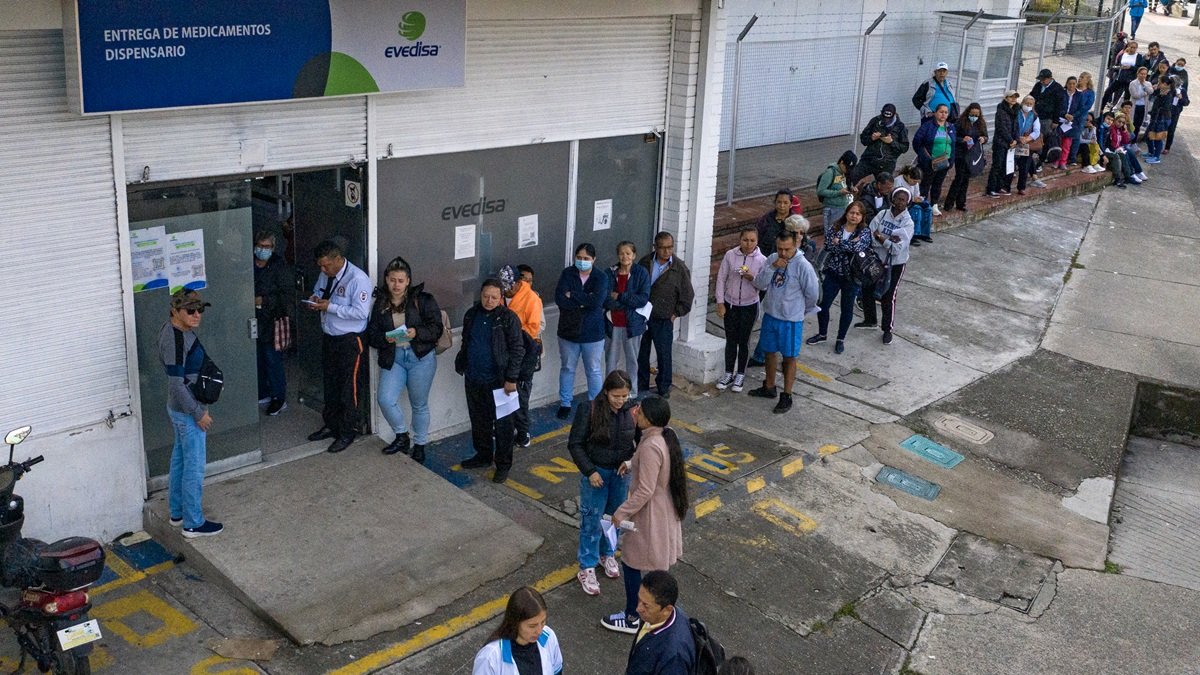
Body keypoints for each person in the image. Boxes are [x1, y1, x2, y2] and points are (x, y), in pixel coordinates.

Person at [601, 397, 689, 636]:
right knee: (655, 568)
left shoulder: (650, 445)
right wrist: (632, 464)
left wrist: (621, 512)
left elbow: (645, 490)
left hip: (650, 516)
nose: (635, 414)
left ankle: (633, 616)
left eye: (639, 412)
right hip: (663, 510)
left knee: (631, 563)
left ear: (648, 418)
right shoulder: (663, 436)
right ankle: (657, 614)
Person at [366, 256, 442, 464]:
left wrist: (416, 332)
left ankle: (420, 444)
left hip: (420, 357)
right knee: (385, 398)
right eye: (392, 280)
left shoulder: (423, 299)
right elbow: (371, 334)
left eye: (400, 280)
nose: (396, 285)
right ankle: (402, 436)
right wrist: (385, 338)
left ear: (408, 280)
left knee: (419, 404)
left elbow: (436, 328)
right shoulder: (381, 302)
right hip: (395, 357)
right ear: (386, 279)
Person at [159, 289, 222, 538]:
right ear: (175, 311)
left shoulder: (175, 331)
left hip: (178, 409)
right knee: (194, 468)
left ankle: (177, 513)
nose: (197, 315)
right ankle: (193, 523)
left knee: (180, 460)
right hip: (187, 411)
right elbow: (176, 384)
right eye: (190, 311)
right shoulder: (174, 339)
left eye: (200, 310)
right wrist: (198, 414)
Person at [568, 370, 637, 596]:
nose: (620, 401)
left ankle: (608, 554)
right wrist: (590, 472)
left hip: (620, 475)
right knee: (591, 520)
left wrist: (630, 461)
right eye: (616, 396)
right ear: (606, 391)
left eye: (625, 396)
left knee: (614, 518)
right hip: (596, 475)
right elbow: (575, 444)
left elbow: (641, 441)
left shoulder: (633, 411)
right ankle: (587, 566)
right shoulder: (589, 409)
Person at [306, 239, 372, 454]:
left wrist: (331, 307)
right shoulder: (326, 274)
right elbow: (319, 290)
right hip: (330, 337)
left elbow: (361, 312)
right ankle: (331, 424)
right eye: (320, 266)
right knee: (331, 384)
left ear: (338, 259)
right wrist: (315, 299)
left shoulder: (358, 279)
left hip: (349, 340)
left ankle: (347, 431)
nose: (323, 269)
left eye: (326, 265)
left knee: (348, 388)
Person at [456, 280, 525, 484]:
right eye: (486, 296)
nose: (489, 300)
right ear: (481, 294)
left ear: (501, 298)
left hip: (501, 382)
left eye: (494, 297)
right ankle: (483, 456)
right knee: (479, 421)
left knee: (504, 426)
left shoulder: (508, 318)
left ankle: (503, 465)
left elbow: (517, 349)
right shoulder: (471, 314)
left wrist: (511, 378)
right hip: (474, 378)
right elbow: (466, 341)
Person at [746, 230, 819, 414]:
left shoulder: (803, 266)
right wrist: (772, 267)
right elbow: (760, 284)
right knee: (769, 352)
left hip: (791, 319)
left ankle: (787, 394)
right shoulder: (772, 258)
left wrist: (800, 311)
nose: (783, 253)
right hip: (771, 314)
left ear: (795, 245)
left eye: (787, 249)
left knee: (789, 357)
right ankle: (769, 386)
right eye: (780, 249)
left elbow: (812, 294)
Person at [806, 201, 872, 356]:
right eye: (852, 212)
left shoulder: (865, 231)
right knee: (823, 304)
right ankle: (822, 334)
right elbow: (829, 245)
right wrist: (848, 244)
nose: (854, 216)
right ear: (846, 213)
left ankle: (840, 339)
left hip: (852, 277)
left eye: (857, 214)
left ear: (862, 217)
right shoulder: (835, 227)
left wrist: (841, 243)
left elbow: (858, 247)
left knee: (846, 309)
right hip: (833, 273)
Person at [555, 243, 611, 419]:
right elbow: (560, 299)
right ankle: (565, 403)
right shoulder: (567, 273)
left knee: (593, 370)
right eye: (579, 257)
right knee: (567, 368)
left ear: (594, 259)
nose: (582, 261)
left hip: (592, 333)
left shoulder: (601, 277)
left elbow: (597, 303)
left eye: (586, 258)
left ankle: (595, 405)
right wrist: (585, 300)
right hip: (568, 332)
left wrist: (574, 295)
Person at [637, 232, 694, 400]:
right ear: (655, 247)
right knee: (642, 352)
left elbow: (687, 295)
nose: (666, 252)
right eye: (662, 248)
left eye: (670, 247)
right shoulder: (645, 262)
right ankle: (642, 383)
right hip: (643, 315)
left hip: (664, 318)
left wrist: (676, 313)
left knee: (664, 354)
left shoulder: (679, 268)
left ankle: (664, 386)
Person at [714, 226, 767, 393]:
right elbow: (721, 279)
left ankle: (740, 374)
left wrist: (752, 277)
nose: (748, 244)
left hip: (749, 305)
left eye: (752, 240)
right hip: (731, 305)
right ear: (740, 240)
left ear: (757, 241)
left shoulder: (761, 260)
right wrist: (720, 302)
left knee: (743, 341)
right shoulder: (730, 255)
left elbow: (763, 285)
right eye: (745, 240)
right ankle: (728, 373)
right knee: (730, 339)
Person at [858, 188, 914, 345]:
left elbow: (897, 249)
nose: (900, 202)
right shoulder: (882, 214)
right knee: (867, 289)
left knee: (888, 296)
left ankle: (887, 329)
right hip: (876, 260)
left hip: (895, 264)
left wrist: (881, 238)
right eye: (897, 198)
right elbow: (870, 235)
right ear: (892, 198)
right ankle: (870, 320)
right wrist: (886, 241)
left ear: (907, 202)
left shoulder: (908, 223)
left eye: (903, 199)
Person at [472, 586, 563, 675]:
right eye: (532, 626)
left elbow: (557, 670)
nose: (539, 631)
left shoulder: (549, 637)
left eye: (543, 622)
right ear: (515, 622)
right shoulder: (490, 658)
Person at [621, 570, 695, 675]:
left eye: (645, 605)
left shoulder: (674, 656)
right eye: (639, 599)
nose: (638, 609)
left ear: (667, 610)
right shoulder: (655, 616)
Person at [501, 265, 543, 449]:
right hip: (504, 354)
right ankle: (505, 430)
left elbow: (534, 328)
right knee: (504, 394)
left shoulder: (532, 299)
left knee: (521, 394)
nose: (507, 290)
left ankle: (523, 432)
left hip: (525, 354)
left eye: (510, 286)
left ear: (519, 283)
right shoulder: (500, 296)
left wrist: (511, 332)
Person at [252, 230, 292, 416]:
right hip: (252, 319)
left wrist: (263, 301)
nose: (262, 250)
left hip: (271, 319)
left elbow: (285, 296)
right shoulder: (249, 263)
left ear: (273, 248)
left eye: (267, 247)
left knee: (272, 359)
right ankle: (263, 392)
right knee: (257, 358)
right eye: (260, 246)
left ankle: (279, 397)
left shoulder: (279, 266)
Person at [605, 242, 651, 399]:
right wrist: (626, 302)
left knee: (632, 360)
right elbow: (606, 299)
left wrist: (620, 296)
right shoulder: (610, 273)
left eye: (628, 253)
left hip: (633, 325)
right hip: (613, 323)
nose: (625, 256)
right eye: (621, 253)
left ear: (634, 255)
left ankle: (631, 393)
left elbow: (643, 299)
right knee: (611, 361)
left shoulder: (641, 273)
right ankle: (610, 391)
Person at [912, 103, 955, 222]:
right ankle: (923, 204)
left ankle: (934, 204)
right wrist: (925, 157)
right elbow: (917, 141)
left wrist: (951, 160)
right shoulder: (928, 126)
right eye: (941, 112)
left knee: (938, 183)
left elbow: (953, 144)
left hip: (944, 162)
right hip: (929, 162)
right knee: (926, 183)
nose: (943, 115)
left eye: (946, 112)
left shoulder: (950, 127)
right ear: (935, 113)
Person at [944, 102, 987, 212]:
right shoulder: (961, 122)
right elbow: (953, 135)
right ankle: (949, 203)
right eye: (972, 114)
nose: (974, 117)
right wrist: (962, 139)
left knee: (966, 179)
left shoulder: (981, 123)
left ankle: (961, 203)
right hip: (961, 154)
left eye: (976, 115)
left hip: (972, 155)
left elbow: (985, 136)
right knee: (959, 178)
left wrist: (983, 139)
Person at [852, 103, 910, 184]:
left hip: (887, 163)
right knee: (853, 176)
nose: (886, 121)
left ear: (894, 115)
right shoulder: (875, 121)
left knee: (885, 186)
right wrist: (871, 138)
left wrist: (891, 142)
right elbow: (863, 139)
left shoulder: (900, 127)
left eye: (889, 119)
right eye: (884, 118)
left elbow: (904, 148)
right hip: (869, 159)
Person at [986, 90, 1020, 198]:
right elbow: (1002, 128)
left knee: (1007, 165)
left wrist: (1015, 140)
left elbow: (1016, 127)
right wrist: (1010, 140)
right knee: (997, 165)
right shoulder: (1001, 110)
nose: (1013, 99)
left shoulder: (1016, 110)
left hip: (1011, 143)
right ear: (1006, 98)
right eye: (1011, 97)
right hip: (1001, 142)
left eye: (1015, 97)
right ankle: (991, 189)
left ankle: (1000, 186)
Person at [1030, 69, 1065, 170]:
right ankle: (1031, 159)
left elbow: (1059, 106)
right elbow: (1031, 96)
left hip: (1047, 118)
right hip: (1036, 116)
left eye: (1044, 79)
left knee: (1044, 140)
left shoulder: (1057, 88)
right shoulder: (1038, 86)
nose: (1042, 81)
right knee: (1034, 137)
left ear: (1050, 78)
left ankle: (1040, 161)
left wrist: (1055, 121)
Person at [1055, 75, 1091, 168]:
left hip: (1072, 122)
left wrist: (1073, 116)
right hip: (1061, 120)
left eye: (1074, 84)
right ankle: (1056, 160)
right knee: (1058, 142)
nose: (1071, 86)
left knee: (1067, 143)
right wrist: (1064, 114)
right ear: (1066, 84)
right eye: (1070, 84)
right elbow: (1058, 106)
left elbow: (1081, 108)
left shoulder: (1079, 95)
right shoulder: (1061, 93)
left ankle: (1063, 161)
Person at [816, 151, 857, 227]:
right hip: (832, 209)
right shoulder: (830, 172)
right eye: (846, 167)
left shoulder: (845, 173)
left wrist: (851, 188)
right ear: (841, 162)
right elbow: (820, 191)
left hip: (843, 207)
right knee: (832, 235)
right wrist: (838, 192)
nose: (847, 170)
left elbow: (844, 184)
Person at [1014, 96, 1043, 195]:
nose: (1028, 106)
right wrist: (1018, 138)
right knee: (1011, 164)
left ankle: (1021, 187)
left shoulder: (1034, 116)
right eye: (1026, 103)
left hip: (1026, 143)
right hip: (1015, 140)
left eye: (1031, 104)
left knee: (1025, 166)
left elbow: (1036, 131)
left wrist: (1027, 139)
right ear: (1022, 103)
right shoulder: (1016, 113)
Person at [1144, 76, 1176, 163]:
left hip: (1162, 119)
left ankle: (1156, 157)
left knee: (1158, 138)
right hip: (1155, 118)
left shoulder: (1168, 95)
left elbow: (1164, 108)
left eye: (1160, 82)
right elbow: (1153, 94)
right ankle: (1151, 152)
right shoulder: (1161, 91)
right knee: (1148, 136)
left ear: (1165, 84)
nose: (1158, 84)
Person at [754, 190, 794, 259]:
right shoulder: (765, 220)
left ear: (791, 205)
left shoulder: (795, 221)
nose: (782, 205)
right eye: (779, 202)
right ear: (775, 203)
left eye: (785, 203)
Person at [1103, 40, 1142, 109]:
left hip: (1130, 79)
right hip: (1120, 77)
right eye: (1131, 47)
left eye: (1135, 48)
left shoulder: (1138, 56)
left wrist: (1130, 67)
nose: (1133, 49)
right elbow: (1117, 64)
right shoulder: (1123, 54)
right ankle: (1102, 107)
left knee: (1126, 97)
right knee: (1108, 91)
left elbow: (1139, 68)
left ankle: (1124, 111)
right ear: (1128, 47)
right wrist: (1116, 69)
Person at [1164, 59, 1189, 154]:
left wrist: (1181, 98)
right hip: (1165, 110)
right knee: (1162, 127)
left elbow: (1186, 102)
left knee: (1171, 129)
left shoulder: (1181, 91)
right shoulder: (1167, 89)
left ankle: (1167, 147)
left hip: (1175, 112)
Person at [1097, 111, 1128, 187]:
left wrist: (1125, 131)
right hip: (1099, 151)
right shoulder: (1101, 128)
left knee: (1124, 154)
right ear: (1103, 118)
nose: (1109, 121)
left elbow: (1126, 141)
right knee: (1116, 156)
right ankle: (1117, 179)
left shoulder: (1107, 128)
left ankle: (1129, 176)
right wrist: (1103, 155)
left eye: (1111, 120)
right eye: (1108, 119)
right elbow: (1099, 143)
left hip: (1106, 150)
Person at [1128, 67, 1154, 140]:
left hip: (1143, 107)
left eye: (1145, 74)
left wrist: (1144, 85)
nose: (1143, 76)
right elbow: (1135, 95)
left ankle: (1134, 141)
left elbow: (1151, 91)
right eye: (1141, 74)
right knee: (1132, 124)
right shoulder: (1133, 83)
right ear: (1138, 74)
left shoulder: (1148, 83)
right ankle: (1129, 140)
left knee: (1138, 125)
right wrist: (1145, 93)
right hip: (1134, 106)